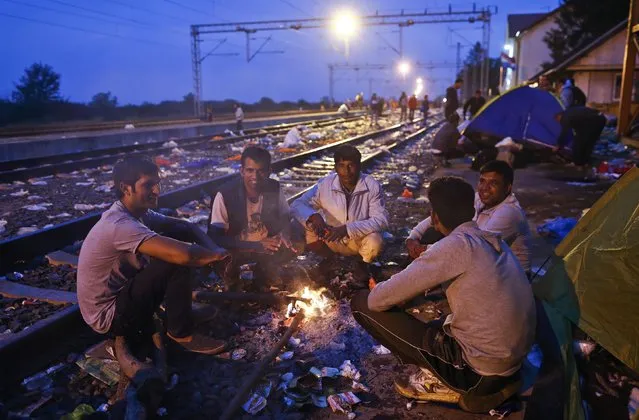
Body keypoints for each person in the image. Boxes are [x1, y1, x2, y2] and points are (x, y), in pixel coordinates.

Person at [351, 176, 535, 412]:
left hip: (481, 368)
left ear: (434, 216)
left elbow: (377, 300)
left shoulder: (454, 246)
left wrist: (395, 291)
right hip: (514, 359)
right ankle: (495, 383)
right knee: (438, 320)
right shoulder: (489, 238)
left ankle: (456, 384)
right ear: (471, 210)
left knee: (361, 303)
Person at [77, 156, 230, 356]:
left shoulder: (139, 213)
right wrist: (214, 257)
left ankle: (183, 313)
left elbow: (186, 226)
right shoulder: (119, 224)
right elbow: (184, 255)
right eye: (148, 185)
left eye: (157, 184)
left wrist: (215, 249)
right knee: (174, 257)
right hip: (111, 317)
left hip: (125, 294)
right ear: (126, 188)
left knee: (178, 234)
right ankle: (181, 333)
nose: (157, 191)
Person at [406, 160, 531, 274]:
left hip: (508, 277)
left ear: (507, 188)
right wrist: (413, 238)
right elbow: (440, 216)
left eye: (493, 183)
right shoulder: (479, 198)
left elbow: (475, 248)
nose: (485, 188)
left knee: (439, 247)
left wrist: (425, 249)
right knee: (433, 232)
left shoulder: (509, 213)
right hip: (484, 263)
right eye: (482, 181)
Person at [290, 144, 388, 282]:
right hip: (331, 239)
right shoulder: (325, 184)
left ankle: (362, 264)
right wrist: (313, 216)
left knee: (375, 240)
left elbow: (381, 220)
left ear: (359, 166)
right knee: (304, 221)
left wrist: (347, 229)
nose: (347, 171)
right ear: (335, 167)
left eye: (351, 165)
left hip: (358, 241)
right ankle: (330, 259)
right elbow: (296, 205)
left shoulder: (371, 185)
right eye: (341, 165)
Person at [208, 146, 296, 291]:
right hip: (236, 249)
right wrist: (256, 245)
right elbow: (215, 238)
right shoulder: (225, 194)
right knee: (226, 259)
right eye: (250, 170)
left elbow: (285, 216)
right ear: (242, 171)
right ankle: (235, 281)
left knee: (296, 242)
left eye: (260, 171)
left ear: (269, 172)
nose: (255, 176)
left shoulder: (274, 187)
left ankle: (263, 276)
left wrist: (284, 234)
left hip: (265, 248)